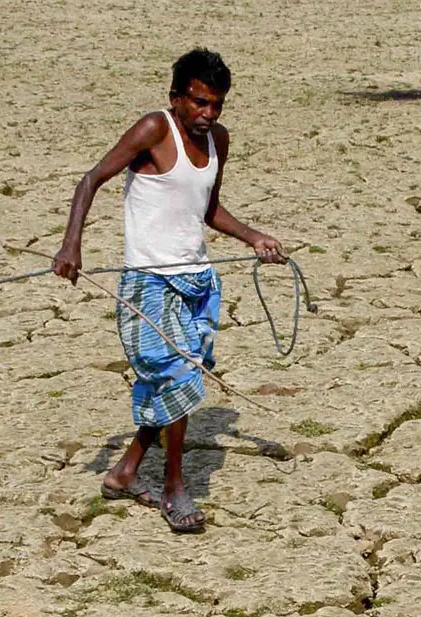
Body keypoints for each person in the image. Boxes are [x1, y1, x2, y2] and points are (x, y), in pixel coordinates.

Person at [52, 47, 285, 533]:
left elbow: (208, 209)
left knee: (179, 384)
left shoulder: (218, 139)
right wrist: (71, 245)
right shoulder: (153, 129)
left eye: (217, 104)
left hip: (199, 281)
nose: (208, 114)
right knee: (179, 381)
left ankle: (126, 471)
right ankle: (176, 488)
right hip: (148, 285)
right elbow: (91, 179)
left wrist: (255, 237)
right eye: (200, 102)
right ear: (176, 97)